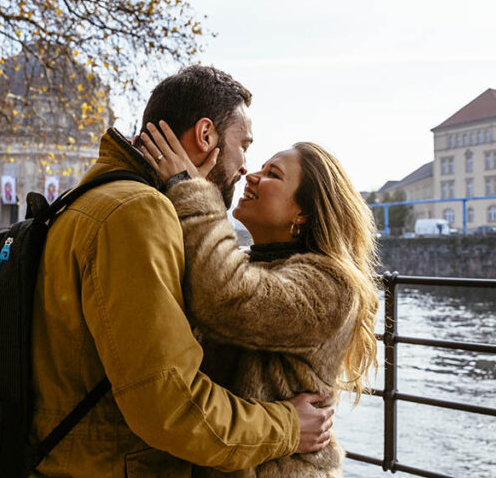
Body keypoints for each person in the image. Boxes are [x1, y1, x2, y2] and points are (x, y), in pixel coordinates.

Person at [30, 65, 334, 477]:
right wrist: (287, 427)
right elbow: (170, 405)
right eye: (244, 146)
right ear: (206, 135)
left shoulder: (93, 194)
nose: (246, 167)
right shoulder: (138, 211)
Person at [138, 121, 380, 477]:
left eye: (273, 174)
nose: (251, 175)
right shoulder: (254, 263)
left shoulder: (331, 286)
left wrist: (189, 188)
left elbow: (227, 298)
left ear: (303, 214)